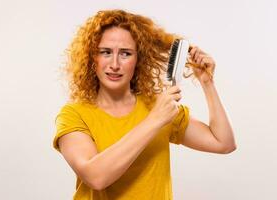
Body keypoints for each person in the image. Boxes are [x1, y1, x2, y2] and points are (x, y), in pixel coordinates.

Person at [53, 9, 236, 200]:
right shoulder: (73, 115)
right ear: (92, 58)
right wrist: (155, 119)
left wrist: (207, 83)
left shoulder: (158, 106)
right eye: (105, 52)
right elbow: (95, 177)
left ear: (138, 60)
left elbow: (223, 143)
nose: (114, 64)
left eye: (125, 53)